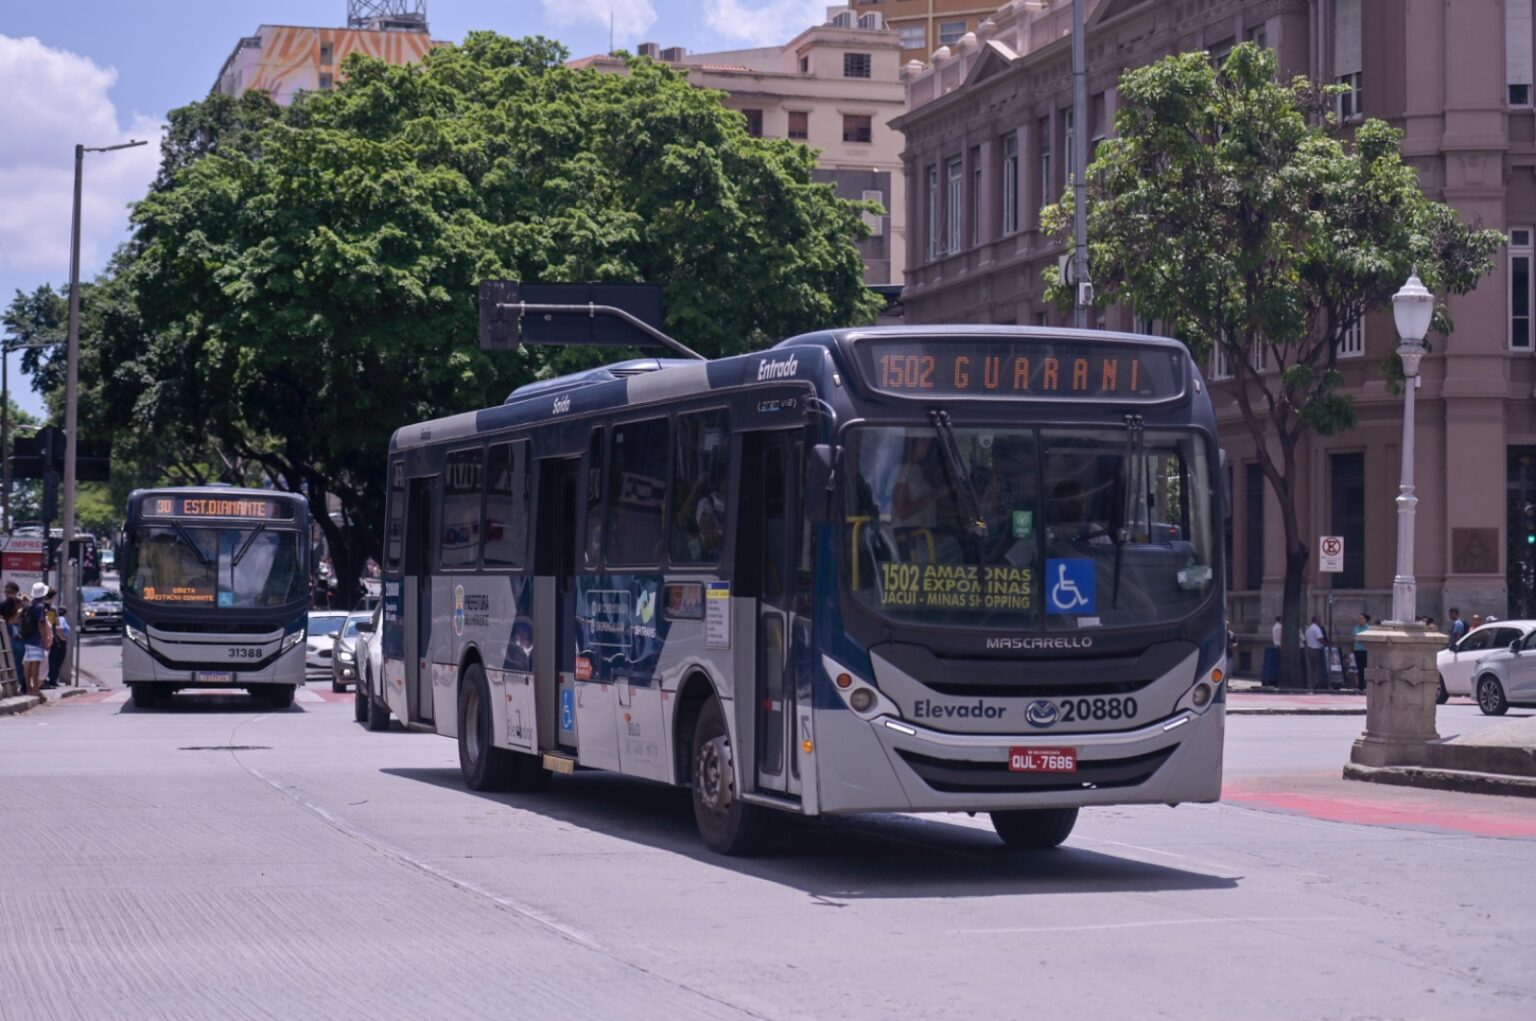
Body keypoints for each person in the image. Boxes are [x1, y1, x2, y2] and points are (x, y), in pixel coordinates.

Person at [19, 582, 51, 697]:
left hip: (27, 637)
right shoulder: (40, 606)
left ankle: (29, 688)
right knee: (35, 663)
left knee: (28, 663)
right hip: (36, 639)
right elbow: (41, 624)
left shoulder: (29, 605)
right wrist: (45, 639)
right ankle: (35, 689)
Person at [46, 599, 71, 689]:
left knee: (53, 661)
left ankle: (52, 679)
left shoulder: (54, 618)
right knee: (57, 662)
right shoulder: (61, 619)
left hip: (56, 640)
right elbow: (59, 629)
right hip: (60, 642)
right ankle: (53, 680)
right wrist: (63, 638)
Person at [1304, 615, 1328, 691]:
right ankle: (1318, 683)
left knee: (1311, 668)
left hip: (1309, 649)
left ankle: (1311, 684)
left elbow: (1305, 640)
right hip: (1316, 649)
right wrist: (1326, 644)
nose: (1320, 621)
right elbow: (1320, 638)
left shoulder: (1309, 629)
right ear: (1316, 620)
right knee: (1318, 667)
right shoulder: (1317, 628)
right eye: (1319, 619)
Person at [1352, 613, 1371, 691]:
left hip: (1365, 650)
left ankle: (1367, 685)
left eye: (1361, 618)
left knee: (1366, 667)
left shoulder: (1369, 628)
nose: (1359, 620)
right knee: (1359, 668)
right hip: (1357, 650)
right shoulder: (1356, 628)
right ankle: (1360, 685)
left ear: (1365, 620)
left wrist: (1360, 638)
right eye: (1359, 618)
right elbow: (1354, 637)